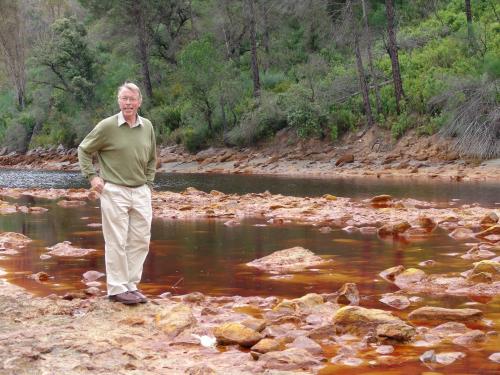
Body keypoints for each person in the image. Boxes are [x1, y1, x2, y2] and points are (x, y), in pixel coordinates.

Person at [78, 82, 156, 305]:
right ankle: (116, 288)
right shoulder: (107, 126)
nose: (128, 103)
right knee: (116, 241)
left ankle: (130, 285)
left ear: (139, 101)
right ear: (118, 101)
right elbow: (83, 150)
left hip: (141, 191)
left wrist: (149, 183)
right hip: (114, 191)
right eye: (124, 98)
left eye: (132, 99)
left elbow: (152, 158)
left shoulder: (147, 126)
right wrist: (93, 177)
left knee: (141, 240)